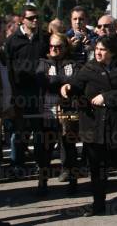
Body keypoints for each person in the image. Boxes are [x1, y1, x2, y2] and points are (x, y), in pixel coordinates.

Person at [60, 36, 117, 216]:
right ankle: (98, 204)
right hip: (93, 128)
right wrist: (67, 87)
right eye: (97, 48)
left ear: (112, 52)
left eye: (103, 49)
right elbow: (76, 85)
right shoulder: (88, 68)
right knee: (97, 169)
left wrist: (107, 97)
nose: (98, 52)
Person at [35, 33, 80, 195]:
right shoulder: (43, 63)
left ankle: (72, 182)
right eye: (52, 46)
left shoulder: (72, 63)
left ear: (65, 48)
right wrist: (63, 82)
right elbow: (43, 81)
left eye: (59, 46)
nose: (54, 49)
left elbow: (76, 80)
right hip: (48, 112)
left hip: (69, 112)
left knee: (69, 147)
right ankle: (42, 182)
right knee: (45, 149)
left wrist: (57, 80)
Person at [4, 5, 48, 172]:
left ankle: (40, 164)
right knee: (18, 131)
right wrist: (12, 93)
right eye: (31, 18)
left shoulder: (44, 38)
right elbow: (8, 69)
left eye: (37, 17)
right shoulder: (12, 41)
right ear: (22, 19)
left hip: (38, 93)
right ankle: (17, 164)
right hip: (19, 92)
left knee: (38, 131)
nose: (35, 20)